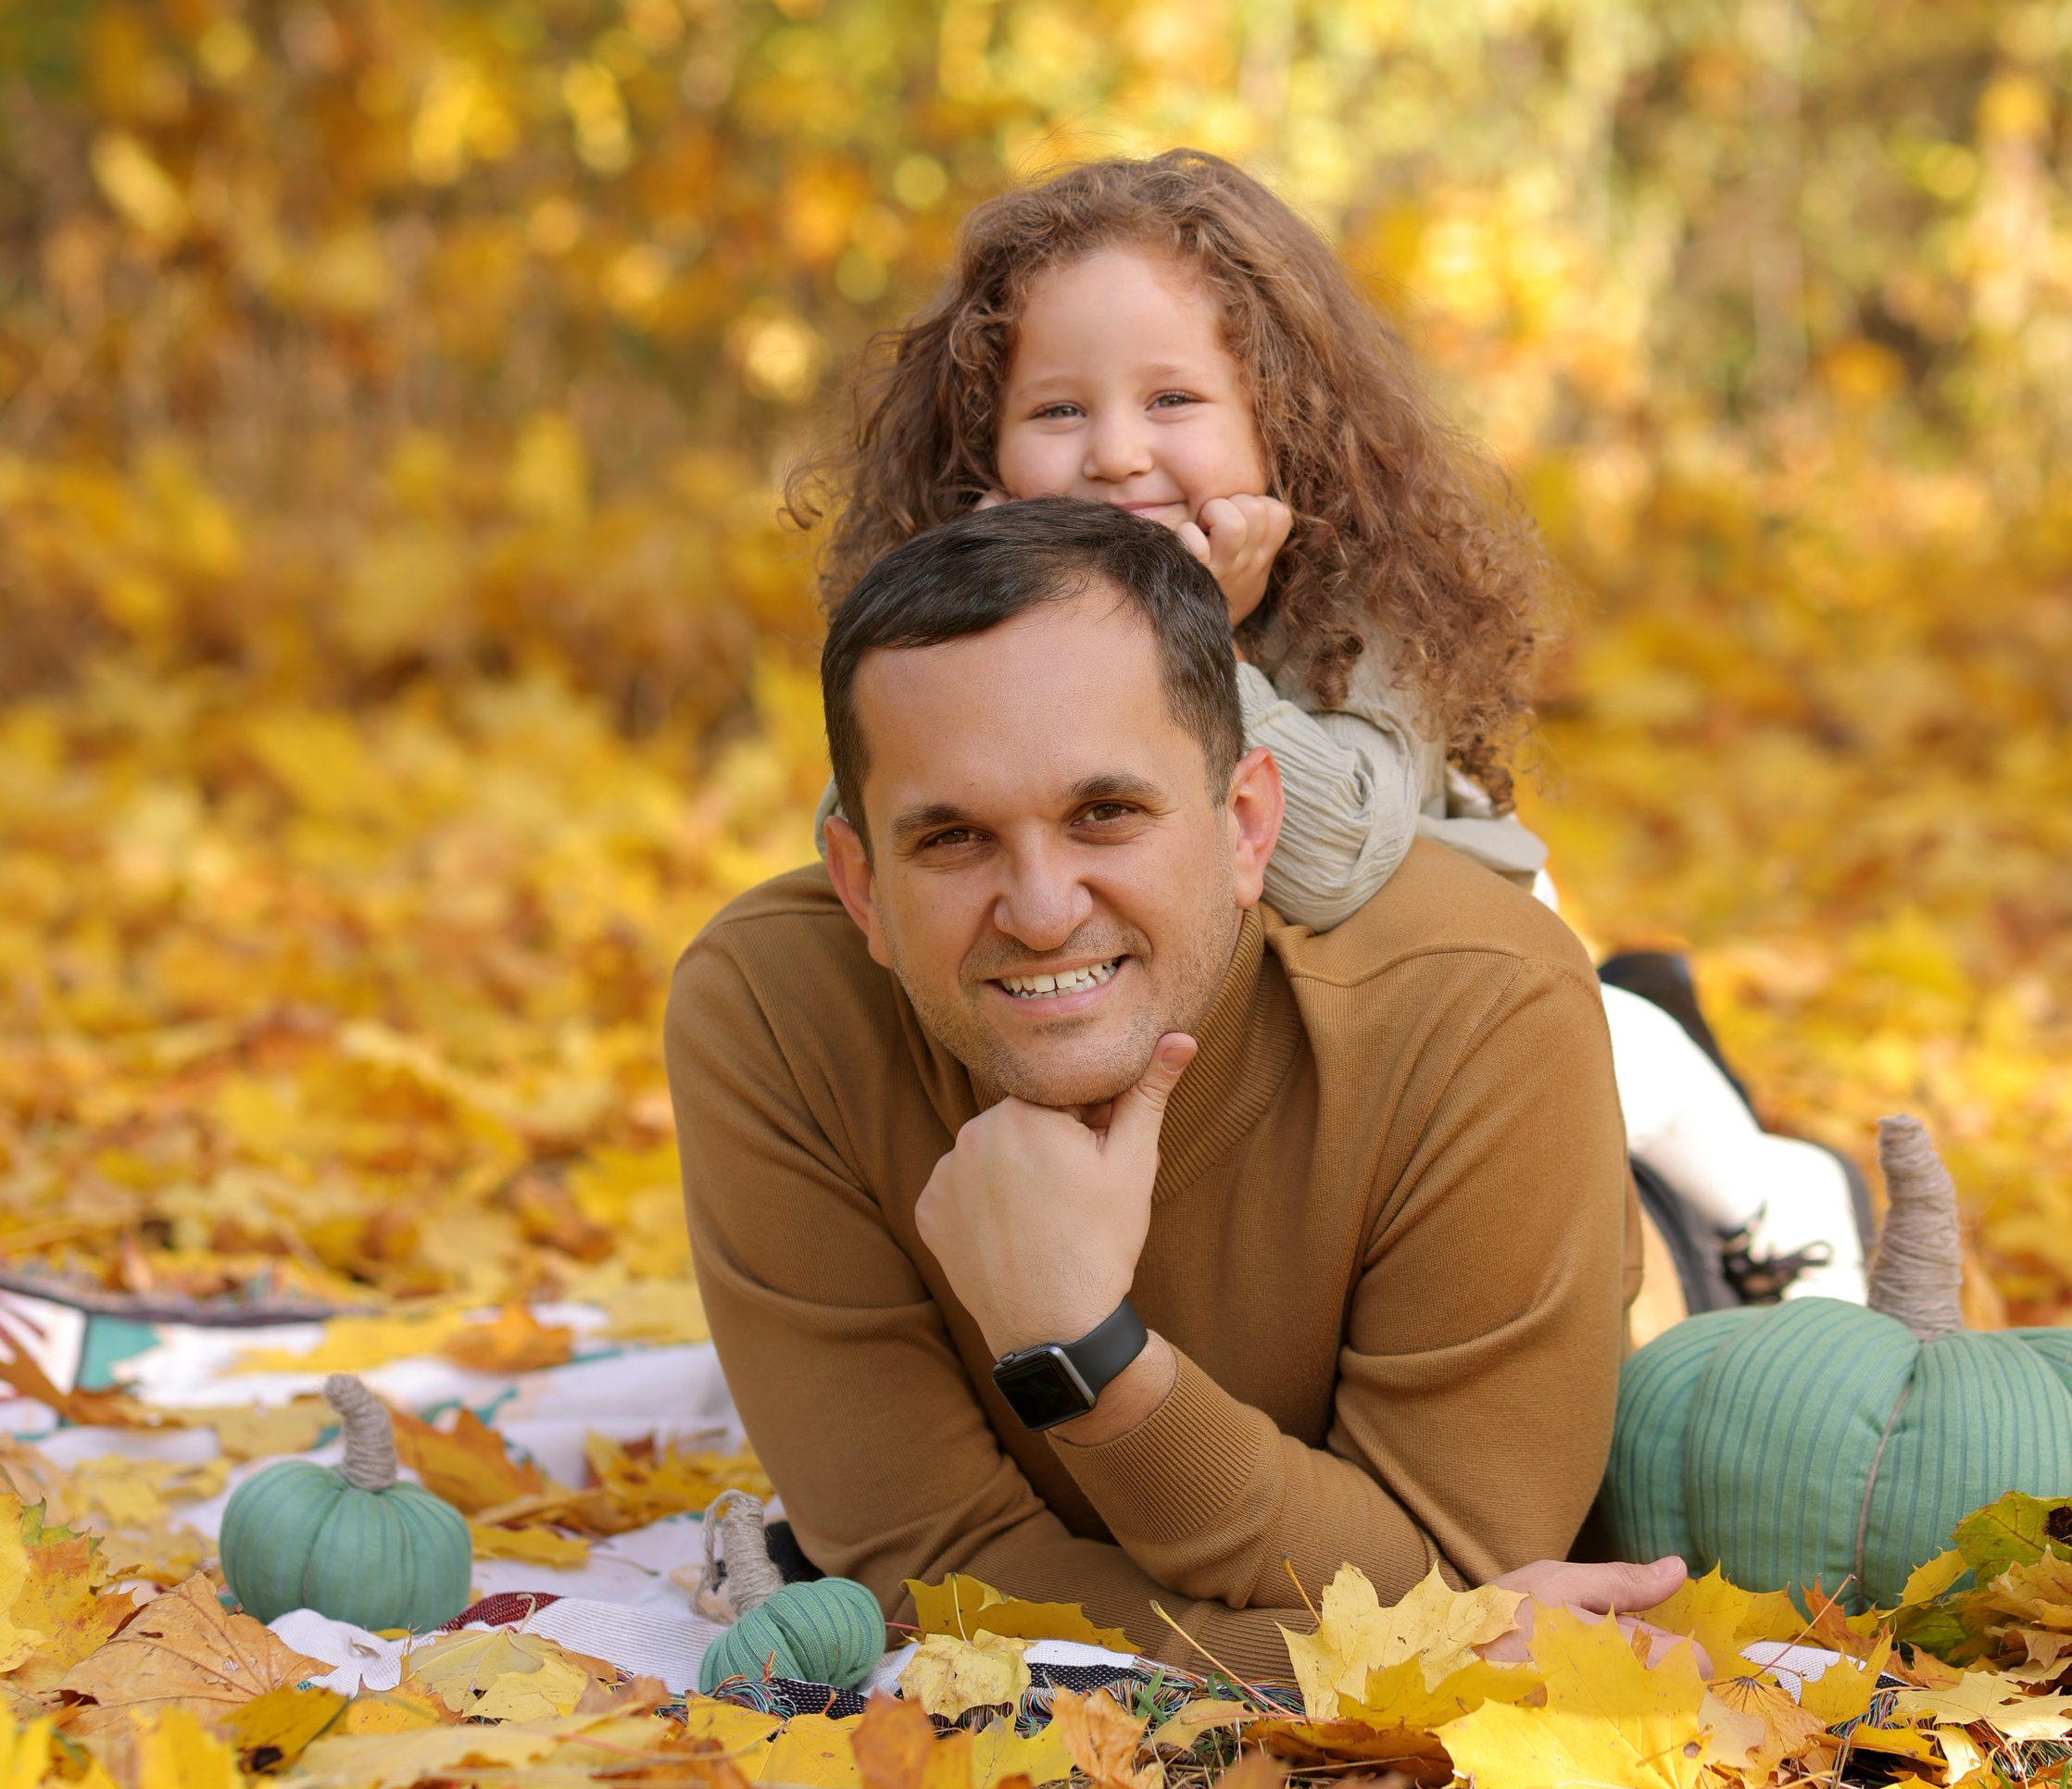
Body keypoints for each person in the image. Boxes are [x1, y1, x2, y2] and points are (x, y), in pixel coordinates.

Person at [801, 147, 1861, 1312]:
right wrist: (1000, 634)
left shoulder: (1357, 605)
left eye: (1171, 400)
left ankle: (1774, 1202)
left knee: (1621, 1052)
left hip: (1436, 976)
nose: (1114, 453)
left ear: (1277, 418)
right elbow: (875, 820)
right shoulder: (969, 630)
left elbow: (1341, 860)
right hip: (1214, 1019)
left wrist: (1197, 634)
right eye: (1057, 410)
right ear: (987, 451)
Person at [665, 502, 1683, 1680]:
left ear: (1247, 825)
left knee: (1732, 1409)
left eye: (1105, 814)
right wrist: (1380, 1660)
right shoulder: (771, 1007)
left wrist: (1087, 1360)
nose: (1040, 911)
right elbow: (925, 1564)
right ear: (859, 885)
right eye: (951, 839)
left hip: (1591, 1273)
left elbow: (1454, 1571)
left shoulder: (1482, 1001)